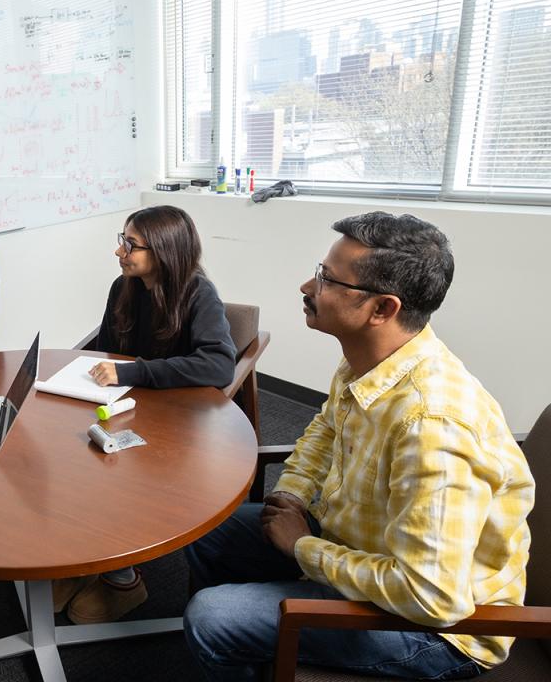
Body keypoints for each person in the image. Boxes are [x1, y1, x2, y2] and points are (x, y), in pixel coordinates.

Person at [183, 212, 534, 681]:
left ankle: (237, 635)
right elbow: (324, 433)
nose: (307, 286)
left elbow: (432, 596)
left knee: (213, 616)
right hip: (357, 547)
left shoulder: (434, 427)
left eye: (327, 279)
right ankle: (248, 648)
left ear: (382, 309)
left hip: (435, 631)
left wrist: (303, 548)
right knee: (203, 529)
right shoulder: (368, 362)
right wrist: (290, 494)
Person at [56, 205, 237, 625]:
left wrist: (133, 371)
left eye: (130, 244)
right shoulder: (124, 286)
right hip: (123, 406)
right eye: (122, 239)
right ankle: (79, 565)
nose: (119, 251)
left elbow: (218, 365)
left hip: (177, 420)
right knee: (71, 457)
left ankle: (124, 579)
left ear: (163, 250)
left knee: (115, 474)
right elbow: (104, 347)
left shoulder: (198, 294)